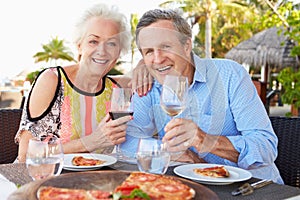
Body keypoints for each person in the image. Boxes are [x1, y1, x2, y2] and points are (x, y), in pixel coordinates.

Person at [121, 8, 283, 184]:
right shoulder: (148, 85)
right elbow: (128, 142)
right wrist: (174, 152)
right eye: (149, 51)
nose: (157, 59)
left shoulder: (229, 75)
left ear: (187, 46)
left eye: (166, 47)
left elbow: (266, 147)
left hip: (252, 188)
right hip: (194, 188)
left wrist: (205, 141)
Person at [14, 3, 150, 163]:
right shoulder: (53, 80)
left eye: (112, 43)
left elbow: (155, 66)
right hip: (41, 179)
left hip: (95, 182)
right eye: (93, 41)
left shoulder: (118, 88)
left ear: (119, 52)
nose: (102, 51)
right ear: (79, 46)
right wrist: (91, 142)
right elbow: (26, 155)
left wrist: (144, 63)